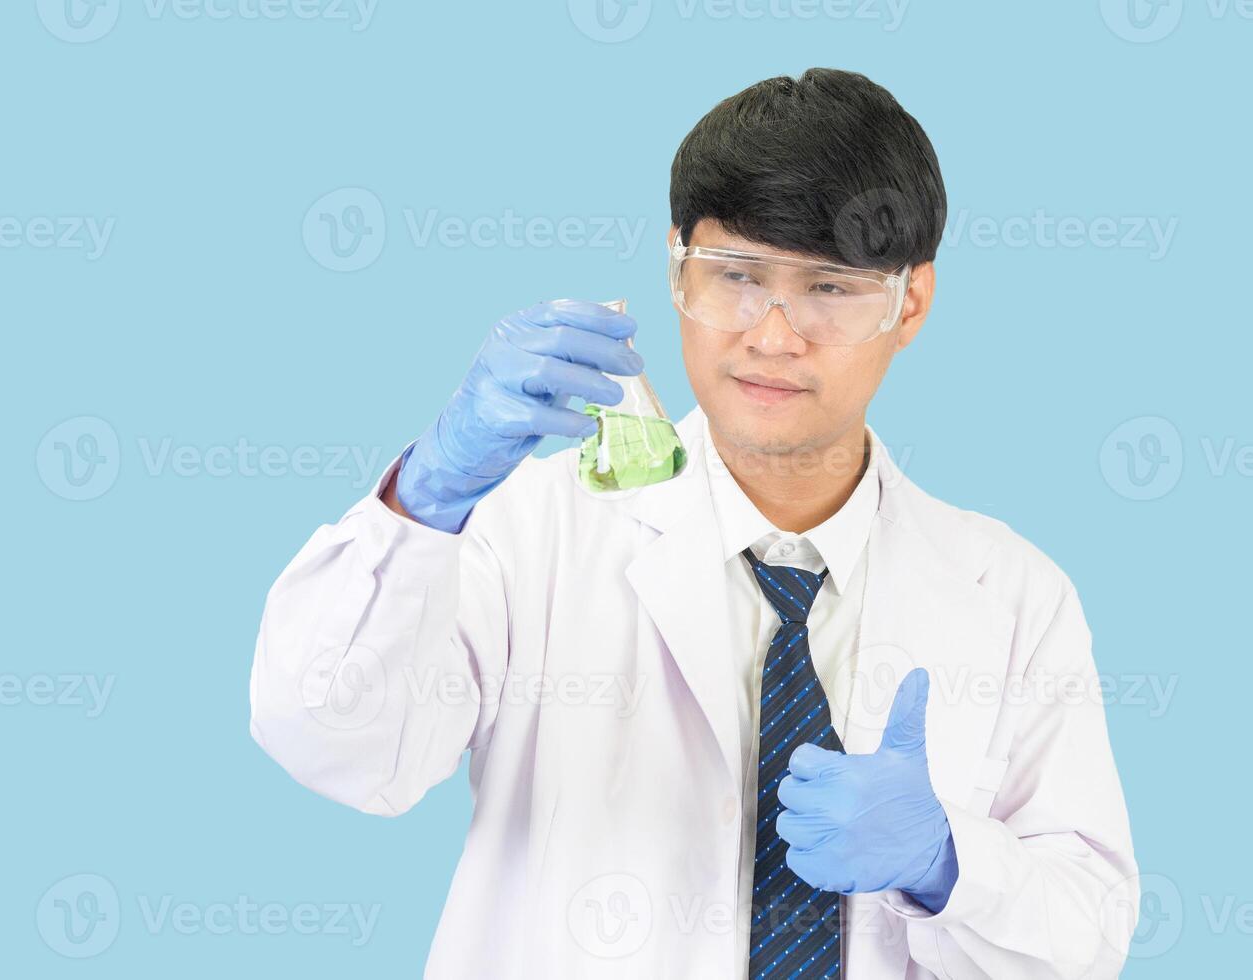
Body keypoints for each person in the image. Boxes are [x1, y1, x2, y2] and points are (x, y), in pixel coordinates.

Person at [249, 68, 1137, 979]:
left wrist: (946, 866)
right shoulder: (526, 535)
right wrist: (423, 503)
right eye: (736, 278)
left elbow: (1086, 935)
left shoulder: (1014, 595)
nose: (772, 335)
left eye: (829, 288)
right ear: (677, 267)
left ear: (908, 302)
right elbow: (337, 748)